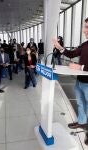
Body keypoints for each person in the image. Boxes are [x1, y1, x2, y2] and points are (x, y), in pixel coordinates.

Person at [53, 17, 88, 145]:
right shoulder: (85, 44)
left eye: (86, 27)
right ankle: (82, 122)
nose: (84, 30)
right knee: (80, 104)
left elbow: (82, 65)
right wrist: (59, 47)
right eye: (84, 26)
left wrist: (80, 67)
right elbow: (72, 54)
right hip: (80, 80)